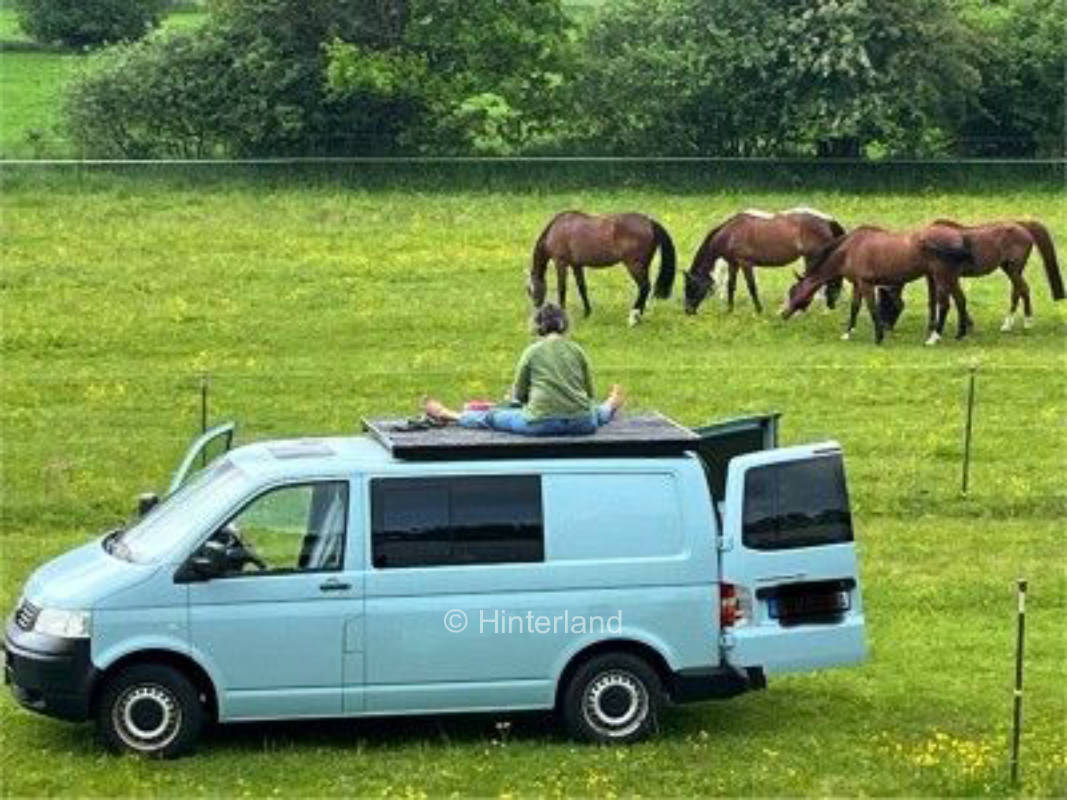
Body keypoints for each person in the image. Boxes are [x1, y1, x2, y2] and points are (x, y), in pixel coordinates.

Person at [425, 303, 624, 436]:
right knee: (595, 413)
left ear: (539, 327)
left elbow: (519, 396)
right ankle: (610, 405)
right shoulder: (577, 350)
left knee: (492, 418)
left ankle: (450, 415)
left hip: (540, 423)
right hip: (581, 423)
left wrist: (520, 398)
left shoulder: (532, 352)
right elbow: (590, 393)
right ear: (564, 326)